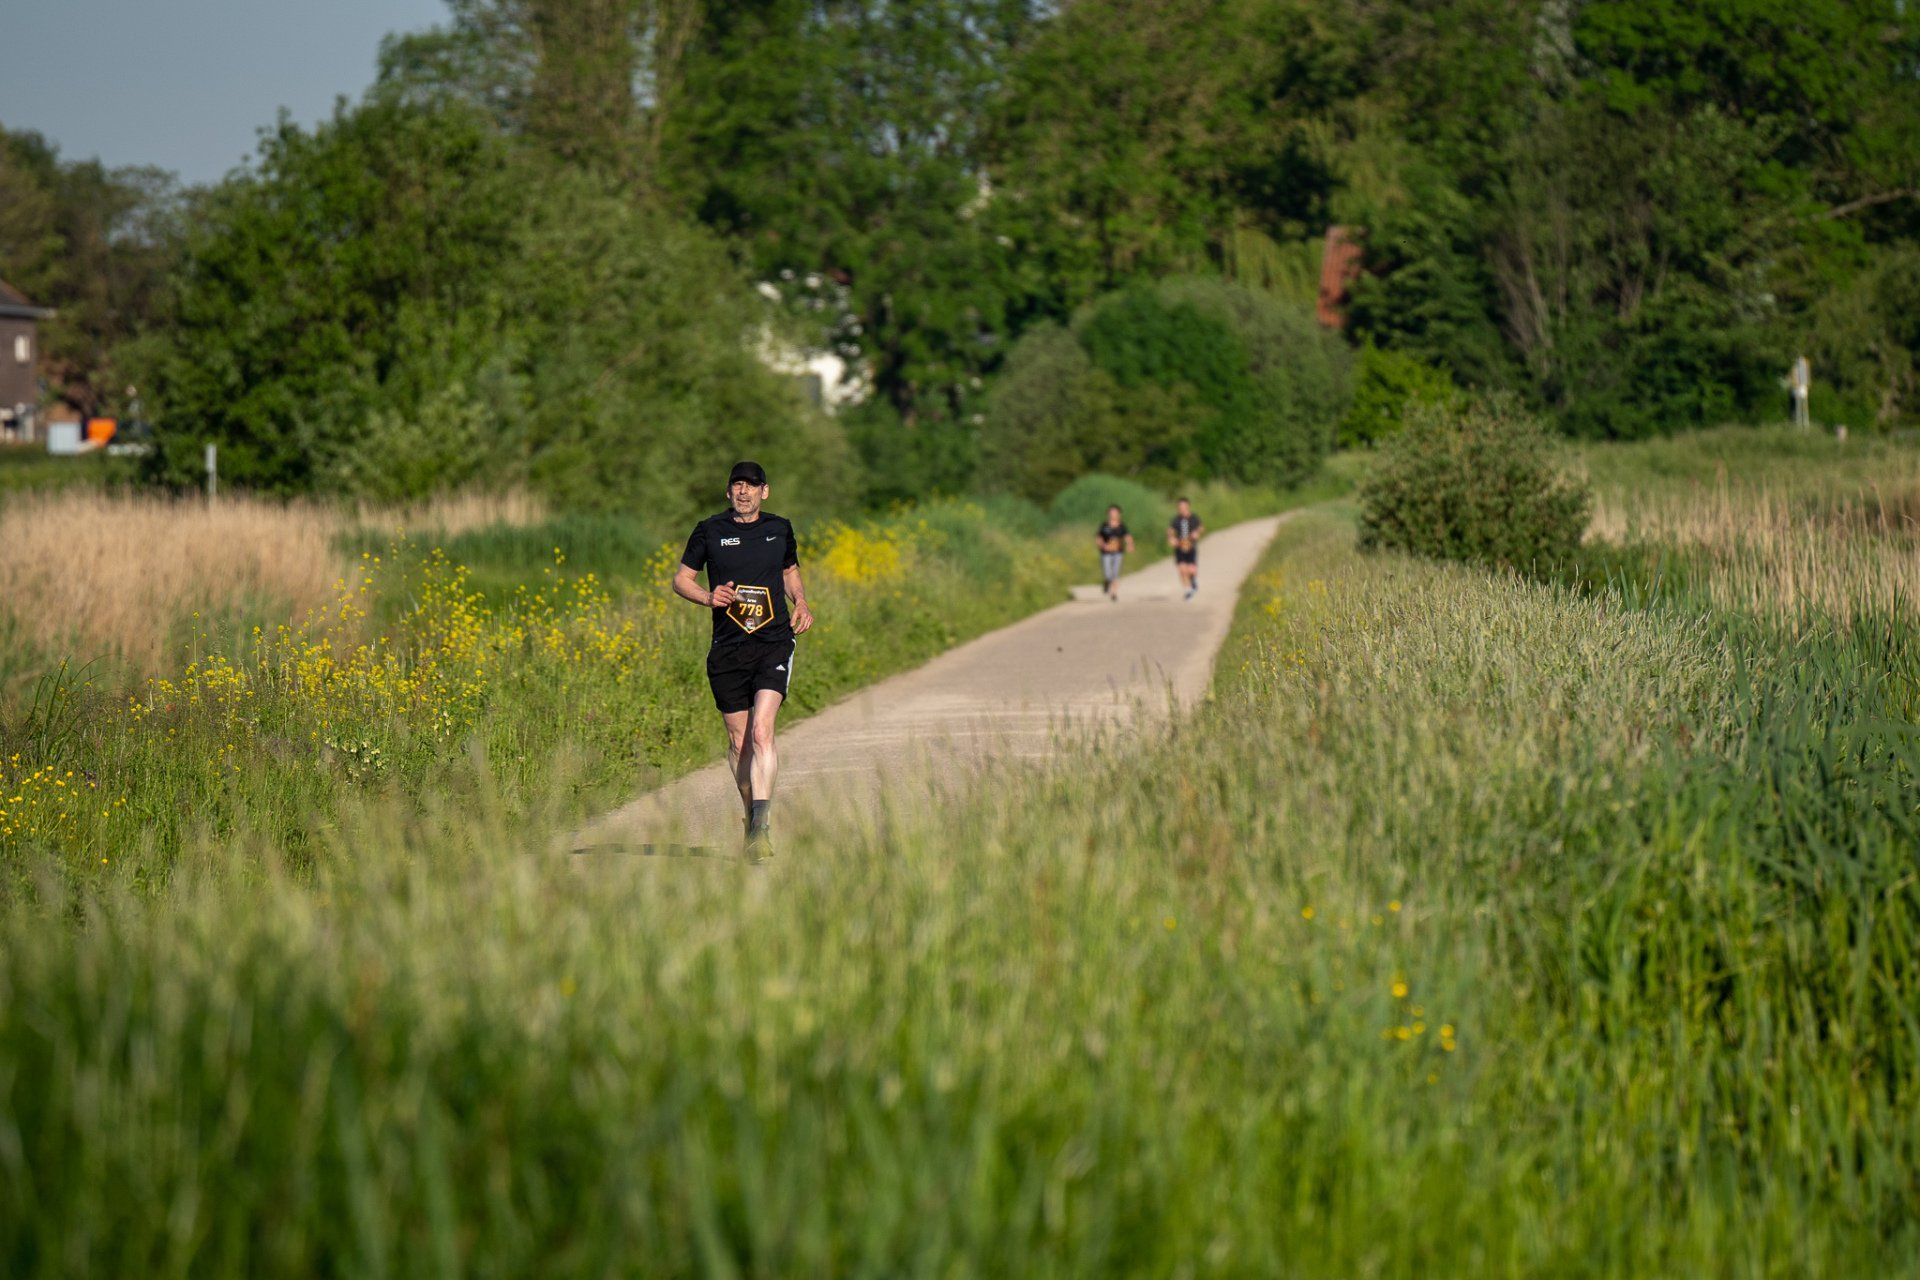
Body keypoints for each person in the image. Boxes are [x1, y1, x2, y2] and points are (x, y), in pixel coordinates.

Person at [672, 460, 813, 857]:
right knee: (739, 743)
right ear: (728, 491)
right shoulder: (710, 530)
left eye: (752, 485)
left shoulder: (780, 528)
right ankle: (752, 820)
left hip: (773, 642)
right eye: (737, 484)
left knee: (761, 732)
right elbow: (681, 580)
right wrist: (707, 597)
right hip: (728, 648)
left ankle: (761, 830)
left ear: (764, 491)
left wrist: (801, 601)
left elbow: (789, 571)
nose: (744, 491)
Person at [1096, 504, 1135, 600]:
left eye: (1115, 512)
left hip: (1118, 552)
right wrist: (1103, 545)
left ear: (1119, 514)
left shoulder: (1122, 526)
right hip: (1106, 553)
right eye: (1111, 512)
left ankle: (1114, 593)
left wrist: (1130, 545)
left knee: (1115, 573)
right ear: (1108, 514)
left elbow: (1127, 536)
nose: (1113, 514)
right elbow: (1099, 537)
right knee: (1107, 573)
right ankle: (1106, 583)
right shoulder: (1104, 526)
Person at [1168, 497, 1205, 600]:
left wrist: (1197, 532)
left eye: (1184, 507)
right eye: (1180, 507)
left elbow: (1201, 527)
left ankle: (1193, 581)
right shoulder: (1176, 520)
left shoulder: (1194, 518)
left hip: (1191, 547)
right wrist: (1171, 538)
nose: (1182, 509)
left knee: (1191, 571)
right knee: (1182, 570)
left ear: (1188, 506)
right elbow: (1170, 531)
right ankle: (1188, 591)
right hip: (1180, 547)